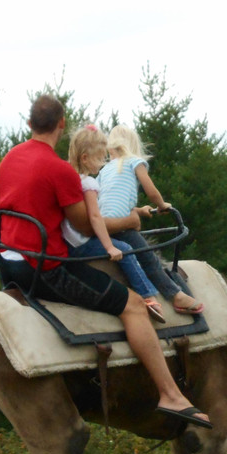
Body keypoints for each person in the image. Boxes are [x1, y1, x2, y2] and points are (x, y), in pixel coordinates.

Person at [0, 94, 210, 429]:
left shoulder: (9, 159)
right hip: (43, 268)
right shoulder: (58, 170)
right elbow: (85, 226)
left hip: (7, 263)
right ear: (61, 125)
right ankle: (170, 393)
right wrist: (130, 220)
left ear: (29, 123)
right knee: (133, 306)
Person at [61, 124, 167, 323]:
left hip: (65, 242)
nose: (102, 163)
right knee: (126, 250)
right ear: (85, 158)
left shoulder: (69, 178)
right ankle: (148, 295)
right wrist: (109, 246)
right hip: (80, 243)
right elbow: (95, 218)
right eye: (100, 158)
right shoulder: (89, 184)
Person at [97, 124, 204, 315]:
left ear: (110, 148)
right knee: (149, 258)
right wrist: (162, 205)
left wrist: (138, 210)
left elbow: (107, 201)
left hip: (104, 226)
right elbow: (151, 190)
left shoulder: (104, 171)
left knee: (131, 254)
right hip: (123, 227)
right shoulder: (134, 162)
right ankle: (174, 296)